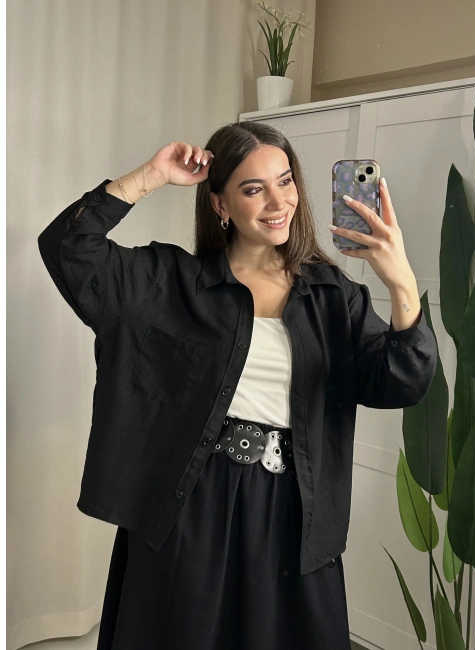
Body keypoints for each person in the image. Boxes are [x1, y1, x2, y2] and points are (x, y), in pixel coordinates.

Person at [37, 122, 437, 649]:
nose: (278, 202)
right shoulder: (170, 284)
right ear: (220, 204)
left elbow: (403, 382)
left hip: (297, 508)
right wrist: (150, 176)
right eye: (253, 189)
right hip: (191, 504)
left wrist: (400, 280)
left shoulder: (332, 297)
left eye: (285, 181)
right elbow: (68, 248)